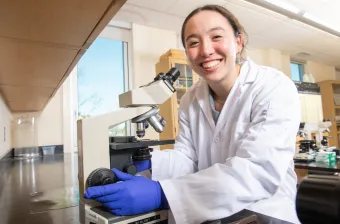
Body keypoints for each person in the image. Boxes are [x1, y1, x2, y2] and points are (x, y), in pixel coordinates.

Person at [84, 4, 301, 224]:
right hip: (213, 212)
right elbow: (187, 158)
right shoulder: (190, 98)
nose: (206, 50)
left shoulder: (273, 87)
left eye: (216, 36)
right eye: (194, 42)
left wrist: (163, 194)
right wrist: (149, 162)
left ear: (238, 41)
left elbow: (257, 172)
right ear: (188, 52)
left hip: (266, 214)